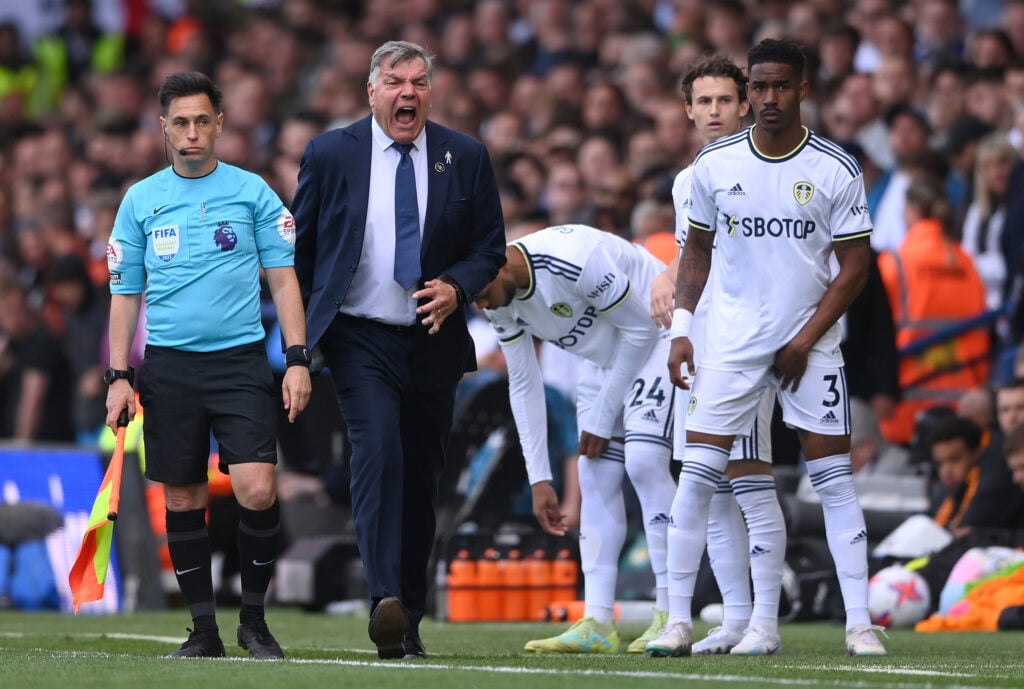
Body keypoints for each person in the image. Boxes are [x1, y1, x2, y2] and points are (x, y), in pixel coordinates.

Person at [657, 38, 887, 657]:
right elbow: (696, 254)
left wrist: (804, 339)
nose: (768, 98)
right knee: (698, 479)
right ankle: (678, 621)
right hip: (731, 347)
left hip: (812, 348)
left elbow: (856, 267)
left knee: (833, 481)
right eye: (759, 86)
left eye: (781, 86)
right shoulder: (714, 164)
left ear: (803, 89)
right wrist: (682, 330)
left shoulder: (835, 168)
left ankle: (859, 624)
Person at [290, 41, 506, 660]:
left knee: (420, 477)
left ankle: (407, 618)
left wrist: (457, 286)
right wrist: (298, 348)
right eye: (394, 81)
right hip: (358, 335)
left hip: (433, 335)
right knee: (377, 451)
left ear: (429, 93)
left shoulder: (465, 156)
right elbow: (300, 255)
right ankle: (383, 596)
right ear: (372, 91)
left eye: (418, 82)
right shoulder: (330, 153)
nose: (407, 92)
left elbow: (490, 247)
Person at [104, 71, 311, 659]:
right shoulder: (140, 200)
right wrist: (118, 377)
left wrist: (297, 358)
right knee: (182, 500)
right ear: (163, 128)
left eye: (202, 121)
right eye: (180, 122)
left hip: (240, 361)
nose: (191, 132)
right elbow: (125, 294)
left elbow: (283, 279)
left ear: (219, 124)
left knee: (257, 487)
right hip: (170, 367)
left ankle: (254, 622)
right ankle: (203, 632)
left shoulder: (252, 192)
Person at [475, 224, 676, 654]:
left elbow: (641, 329)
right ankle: (597, 622)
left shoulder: (572, 257)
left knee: (644, 462)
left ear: (499, 265)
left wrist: (602, 418)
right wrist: (540, 478)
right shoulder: (497, 299)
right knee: (592, 476)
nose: (480, 305)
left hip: (656, 338)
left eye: (479, 293)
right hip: (601, 360)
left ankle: (670, 614)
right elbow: (524, 383)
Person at [648, 52, 787, 657]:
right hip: (698, 344)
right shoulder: (688, 180)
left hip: (745, 345)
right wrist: (670, 278)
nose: (714, 111)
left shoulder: (768, 170)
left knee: (748, 481)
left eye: (725, 100)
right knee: (705, 487)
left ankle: (764, 622)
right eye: (703, 101)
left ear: (746, 103)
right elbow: (695, 255)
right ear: (687, 110)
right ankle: (732, 619)